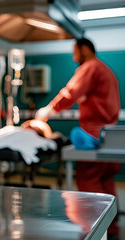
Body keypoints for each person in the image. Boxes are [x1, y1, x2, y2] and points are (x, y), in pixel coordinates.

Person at [36, 38, 121, 238]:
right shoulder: (106, 71)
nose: (74, 57)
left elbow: (71, 92)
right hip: (110, 137)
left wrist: (48, 110)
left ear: (84, 49)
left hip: (94, 136)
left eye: (75, 52)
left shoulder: (90, 67)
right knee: (106, 182)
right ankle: (113, 230)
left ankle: (95, 232)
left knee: (88, 179)